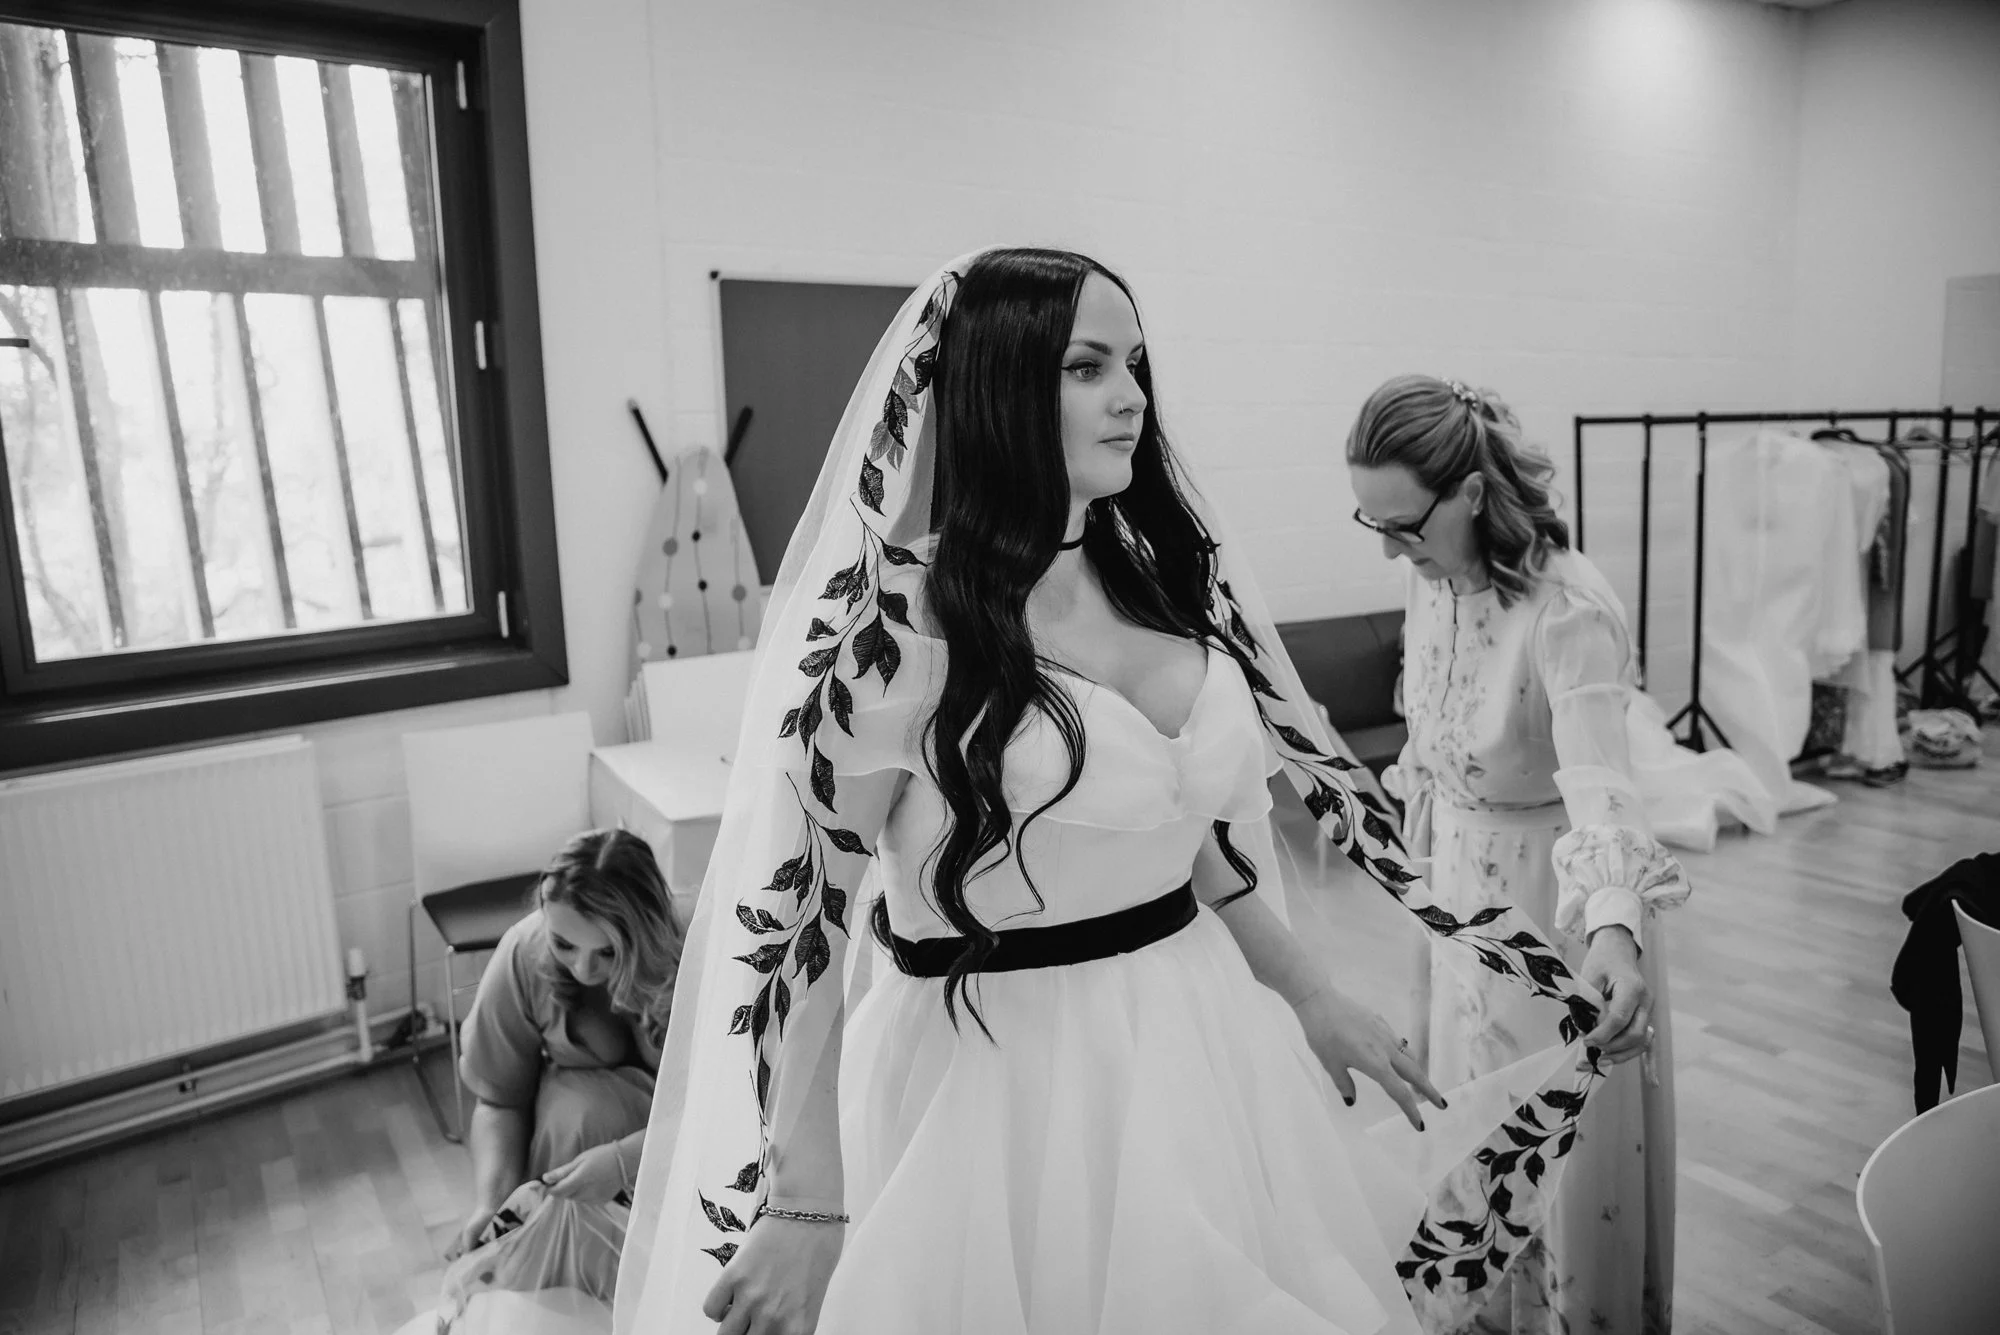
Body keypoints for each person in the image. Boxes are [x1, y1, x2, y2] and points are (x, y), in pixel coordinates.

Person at [615, 250, 1623, 1335]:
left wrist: (1308, 992)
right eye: (1086, 366)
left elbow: (1182, 828)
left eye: (1134, 363)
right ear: (1000, 386)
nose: (1130, 395)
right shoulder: (899, 629)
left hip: (1190, 1041)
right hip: (994, 1082)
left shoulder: (1160, 574)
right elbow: (808, 922)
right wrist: (807, 1200)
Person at [1348, 374, 1690, 1335]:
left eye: (1403, 524)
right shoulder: (1431, 574)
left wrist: (1615, 929)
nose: (1388, 548)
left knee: (1553, 1152)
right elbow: (1437, 739)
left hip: (1555, 907)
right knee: (1473, 1137)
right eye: (1369, 523)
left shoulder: (1567, 607)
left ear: (1467, 493)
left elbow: (1600, 782)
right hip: (1462, 903)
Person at [437, 827, 683, 1331]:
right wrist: (492, 1202)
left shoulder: (701, 954)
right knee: (580, 1117)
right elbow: (500, 1100)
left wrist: (625, 1160)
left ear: (651, 931)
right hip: (571, 1151)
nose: (584, 968)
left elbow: (738, 1103)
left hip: (684, 1152)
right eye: (564, 943)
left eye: (610, 952)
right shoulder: (524, 954)